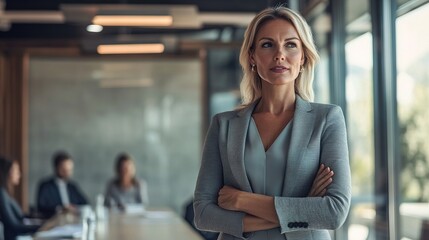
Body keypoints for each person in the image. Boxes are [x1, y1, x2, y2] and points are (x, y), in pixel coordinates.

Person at [193, 6, 351, 240]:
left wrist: (242, 200)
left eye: (290, 44)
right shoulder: (223, 125)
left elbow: (334, 212)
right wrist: (303, 206)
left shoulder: (327, 119)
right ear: (252, 56)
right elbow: (203, 214)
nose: (280, 54)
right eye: (267, 44)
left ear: (304, 56)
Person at [36, 151, 88, 218]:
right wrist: (60, 209)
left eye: (69, 170)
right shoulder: (45, 186)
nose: (67, 172)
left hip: (72, 220)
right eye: (64, 169)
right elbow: (41, 207)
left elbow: (85, 203)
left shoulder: (72, 186)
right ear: (56, 168)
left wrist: (74, 207)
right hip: (53, 221)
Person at [0, 156, 41, 240]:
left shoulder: (7, 193)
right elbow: (14, 226)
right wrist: (42, 227)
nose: (19, 174)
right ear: (7, 172)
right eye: (16, 170)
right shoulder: (2, 193)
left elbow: (22, 217)